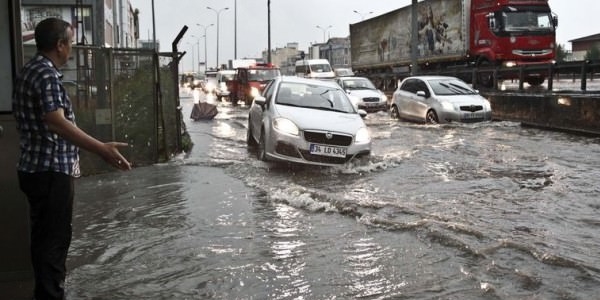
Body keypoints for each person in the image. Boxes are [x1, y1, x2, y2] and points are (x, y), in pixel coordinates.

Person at [12, 18, 131, 300]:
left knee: (44, 240)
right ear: (60, 45)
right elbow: (57, 122)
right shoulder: (46, 75)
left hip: (37, 169)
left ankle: (46, 292)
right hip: (51, 171)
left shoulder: (31, 70)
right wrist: (102, 149)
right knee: (54, 242)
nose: (73, 51)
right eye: (71, 44)